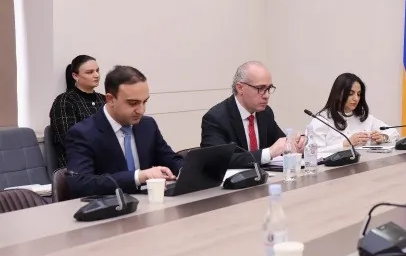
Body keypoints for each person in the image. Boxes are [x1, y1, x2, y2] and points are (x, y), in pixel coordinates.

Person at [65, 66, 184, 197]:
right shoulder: (83, 133)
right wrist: (138, 177)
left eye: (144, 102)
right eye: (133, 103)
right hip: (111, 205)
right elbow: (80, 184)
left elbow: (170, 158)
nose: (141, 110)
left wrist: (184, 171)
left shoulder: (147, 125)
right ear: (110, 99)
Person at [201, 61, 305, 169]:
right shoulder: (216, 118)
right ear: (240, 88)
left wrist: (297, 144)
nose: (266, 95)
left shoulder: (265, 113)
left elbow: (281, 144)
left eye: (269, 88)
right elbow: (217, 161)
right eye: (260, 88)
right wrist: (268, 153)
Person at [308, 73, 399, 152]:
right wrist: (345, 144)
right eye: (350, 94)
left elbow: (394, 133)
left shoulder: (364, 117)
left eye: (359, 94)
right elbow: (313, 152)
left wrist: (383, 137)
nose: (356, 98)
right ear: (338, 93)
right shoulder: (321, 120)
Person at [49, 55, 106, 168]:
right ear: (75, 76)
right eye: (89, 72)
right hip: (79, 165)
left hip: (106, 160)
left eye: (97, 70)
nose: (96, 75)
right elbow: (70, 140)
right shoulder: (65, 101)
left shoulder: (104, 100)